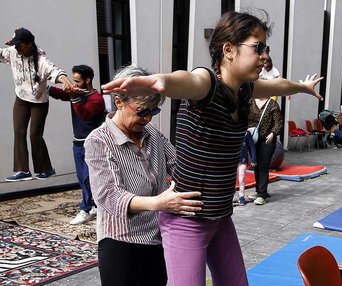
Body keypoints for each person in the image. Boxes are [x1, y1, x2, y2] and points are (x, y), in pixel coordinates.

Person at [100, 11, 323, 286]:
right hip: (187, 220)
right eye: (257, 47)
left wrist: (303, 87)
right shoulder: (207, 84)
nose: (264, 55)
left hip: (220, 218)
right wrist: (162, 81)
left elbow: (277, 84)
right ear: (229, 50)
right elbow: (187, 80)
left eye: (266, 48)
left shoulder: (244, 90)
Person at [85, 65, 203, 286]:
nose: (148, 118)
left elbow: (179, 166)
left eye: (153, 111)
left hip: (157, 238)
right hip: (120, 243)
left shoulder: (152, 134)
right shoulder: (99, 140)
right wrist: (159, 203)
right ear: (119, 101)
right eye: (142, 111)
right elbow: (109, 197)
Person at [1, 28, 80, 181]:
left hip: (39, 102)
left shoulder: (40, 60)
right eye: (15, 45)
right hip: (21, 99)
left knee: (34, 135)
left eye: (19, 45)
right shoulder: (13, 52)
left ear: (29, 44)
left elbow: (55, 71)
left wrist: (67, 82)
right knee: (19, 132)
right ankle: (22, 170)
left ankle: (45, 168)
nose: (16, 47)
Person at [48, 65, 105, 224]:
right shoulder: (76, 92)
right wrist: (44, 87)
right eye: (73, 81)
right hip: (77, 143)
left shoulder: (97, 99)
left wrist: (73, 97)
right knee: (82, 178)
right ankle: (93, 206)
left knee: (88, 178)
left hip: (93, 144)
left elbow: (85, 115)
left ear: (87, 80)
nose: (74, 84)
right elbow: (59, 94)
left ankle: (85, 209)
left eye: (77, 81)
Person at [247, 97, 282, 205]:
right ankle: (258, 191)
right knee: (256, 166)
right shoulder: (250, 102)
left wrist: (273, 133)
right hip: (252, 139)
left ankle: (262, 194)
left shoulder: (272, 104)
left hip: (267, 140)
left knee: (263, 166)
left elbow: (278, 122)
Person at [236, 131, 257, 206]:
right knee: (230, 179)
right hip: (231, 159)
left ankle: (241, 197)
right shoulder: (229, 130)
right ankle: (228, 197)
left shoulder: (246, 133)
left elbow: (252, 146)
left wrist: (254, 158)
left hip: (243, 160)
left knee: (242, 179)